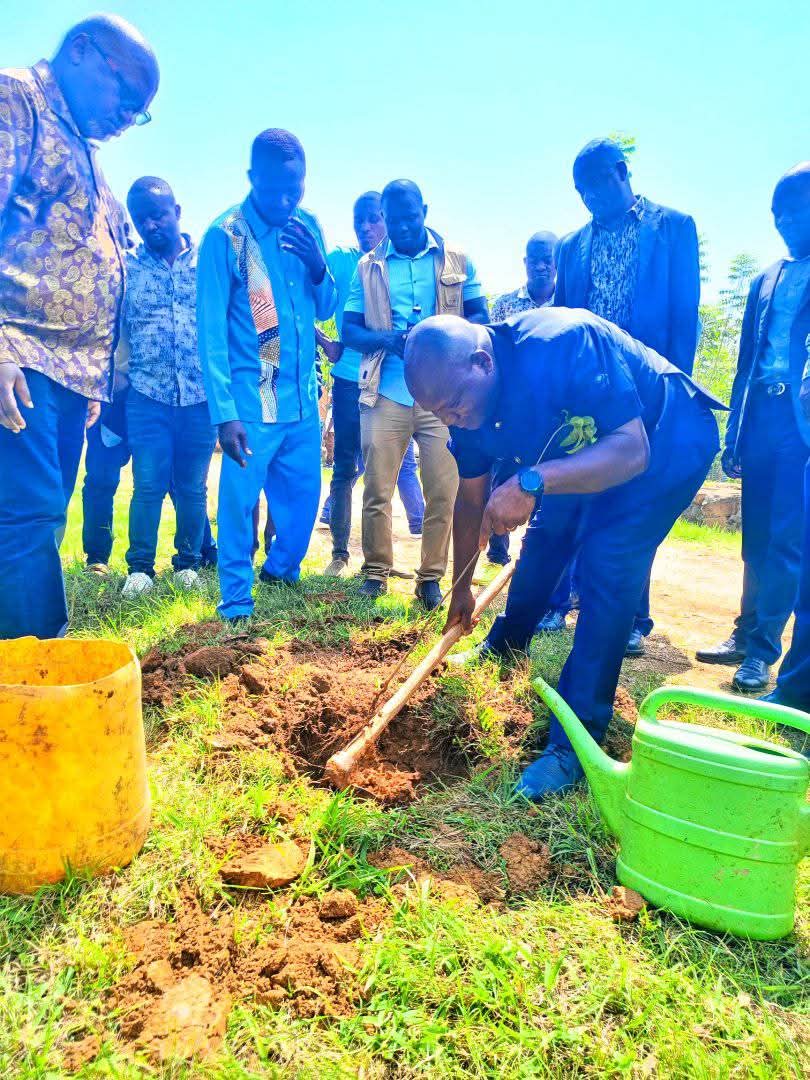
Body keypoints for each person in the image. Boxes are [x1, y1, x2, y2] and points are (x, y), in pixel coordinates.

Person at [405, 311, 722, 798]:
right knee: (549, 535)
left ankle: (574, 744)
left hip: (666, 436)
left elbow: (631, 451)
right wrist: (462, 586)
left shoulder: (562, 344)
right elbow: (470, 502)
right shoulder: (461, 402)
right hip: (586, 448)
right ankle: (506, 642)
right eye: (440, 415)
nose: (453, 422)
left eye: (455, 408)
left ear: (482, 362)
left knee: (607, 564)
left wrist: (533, 481)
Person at [0, 14, 158, 639]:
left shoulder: (85, 152)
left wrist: (90, 381)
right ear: (81, 52)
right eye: (128, 97)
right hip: (19, 355)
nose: (129, 118)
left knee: (37, 522)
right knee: (26, 520)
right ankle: (36, 681)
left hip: (67, 379)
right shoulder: (17, 101)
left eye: (140, 113)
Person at [554, 137, 701, 656]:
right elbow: (562, 323)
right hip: (590, 395)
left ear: (621, 172)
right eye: (580, 191)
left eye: (594, 185)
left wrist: (676, 395)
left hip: (651, 390)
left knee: (635, 500)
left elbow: (685, 319)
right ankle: (570, 602)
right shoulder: (571, 248)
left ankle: (632, 617)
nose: (587, 198)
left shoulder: (673, 229)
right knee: (583, 490)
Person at [197, 128, 336, 623]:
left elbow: (327, 307)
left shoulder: (308, 226)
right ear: (252, 176)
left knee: (302, 500)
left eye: (294, 187)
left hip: (300, 401)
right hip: (251, 405)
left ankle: (281, 570)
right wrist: (224, 412)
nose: (285, 198)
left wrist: (320, 268)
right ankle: (236, 597)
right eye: (274, 187)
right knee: (237, 505)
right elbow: (210, 331)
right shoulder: (225, 236)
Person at [343, 179, 488, 609]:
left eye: (411, 217)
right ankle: (374, 572)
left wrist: (442, 340)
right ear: (384, 217)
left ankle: (430, 578)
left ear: (424, 210)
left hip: (443, 400)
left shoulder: (457, 260)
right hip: (386, 390)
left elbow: (481, 319)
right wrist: (391, 340)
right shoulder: (368, 266)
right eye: (395, 219)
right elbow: (350, 329)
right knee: (377, 488)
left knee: (444, 488)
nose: (404, 227)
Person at [700, 163, 810, 694]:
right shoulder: (766, 278)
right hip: (761, 419)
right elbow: (746, 362)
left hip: (800, 426)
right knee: (755, 539)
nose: (782, 221)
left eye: (793, 208)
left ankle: (764, 652)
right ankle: (744, 634)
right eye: (776, 212)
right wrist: (733, 434)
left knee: (786, 542)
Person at [116, 177, 216, 597]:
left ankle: (187, 565)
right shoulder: (128, 268)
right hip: (146, 395)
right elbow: (118, 329)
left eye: (158, 214)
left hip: (198, 396)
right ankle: (140, 568)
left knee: (192, 487)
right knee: (149, 484)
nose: (151, 225)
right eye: (142, 219)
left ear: (177, 211)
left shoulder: (206, 265)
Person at [318, 192, 425, 576]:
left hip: (393, 384)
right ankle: (340, 554)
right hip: (350, 380)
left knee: (389, 470)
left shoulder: (406, 262)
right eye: (358, 219)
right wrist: (325, 341)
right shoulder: (344, 261)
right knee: (346, 467)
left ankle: (379, 562)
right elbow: (303, 300)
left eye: (374, 218)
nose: (366, 227)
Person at [487, 231, 558, 569]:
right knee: (502, 476)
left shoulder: (571, 303)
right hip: (513, 410)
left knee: (546, 482)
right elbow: (493, 357)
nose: (541, 266)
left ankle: (535, 554)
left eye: (548, 259)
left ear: (557, 263)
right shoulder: (505, 305)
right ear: (525, 262)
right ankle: (497, 548)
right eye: (535, 259)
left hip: (556, 413)